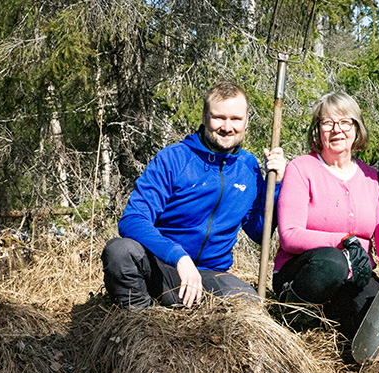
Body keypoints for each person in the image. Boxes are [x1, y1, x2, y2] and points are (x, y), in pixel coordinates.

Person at [101, 81, 286, 309]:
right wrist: (177, 255)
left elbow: (260, 233)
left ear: (246, 120)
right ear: (205, 116)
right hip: (160, 269)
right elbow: (132, 220)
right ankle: (140, 322)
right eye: (219, 117)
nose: (227, 127)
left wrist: (274, 185)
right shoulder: (174, 159)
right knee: (120, 251)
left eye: (236, 119)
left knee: (247, 303)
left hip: (210, 276)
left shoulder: (247, 168)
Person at [273, 91, 379, 337]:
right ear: (317, 130)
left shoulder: (371, 178)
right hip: (305, 271)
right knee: (333, 262)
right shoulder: (301, 169)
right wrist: (344, 241)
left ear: (356, 128)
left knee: (376, 316)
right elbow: (289, 235)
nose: (336, 129)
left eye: (344, 122)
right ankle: (292, 315)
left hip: (353, 275)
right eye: (327, 122)